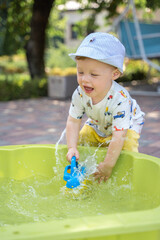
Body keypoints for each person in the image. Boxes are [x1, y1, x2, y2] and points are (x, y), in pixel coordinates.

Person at [66, 32, 145, 183]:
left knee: (126, 146)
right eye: (80, 72)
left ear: (114, 74)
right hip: (100, 121)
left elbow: (119, 136)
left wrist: (108, 165)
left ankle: (129, 179)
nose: (85, 79)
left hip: (126, 126)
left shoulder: (120, 99)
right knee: (83, 138)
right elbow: (73, 121)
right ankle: (84, 175)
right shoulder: (80, 93)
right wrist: (71, 147)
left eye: (94, 74)